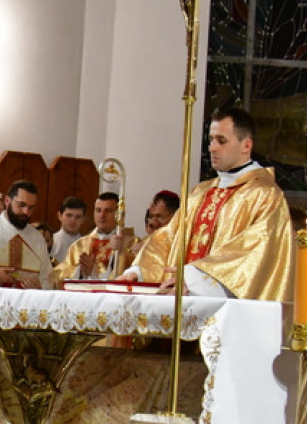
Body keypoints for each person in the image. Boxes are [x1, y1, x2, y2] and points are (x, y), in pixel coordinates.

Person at [121, 107, 292, 299]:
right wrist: (140, 270)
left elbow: (254, 254)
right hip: (180, 301)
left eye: (222, 140)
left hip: (224, 308)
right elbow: (169, 236)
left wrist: (194, 280)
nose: (212, 147)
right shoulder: (200, 192)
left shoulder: (265, 195)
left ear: (246, 146)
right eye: (211, 139)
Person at [53, 192, 138, 282]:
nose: (102, 215)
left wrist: (122, 254)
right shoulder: (80, 245)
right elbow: (58, 275)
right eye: (98, 210)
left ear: (120, 215)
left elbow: (137, 274)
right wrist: (81, 272)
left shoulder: (132, 243)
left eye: (108, 211)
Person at [50, 196, 87, 261]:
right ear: (60, 216)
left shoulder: (87, 245)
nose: (73, 220)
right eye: (69, 215)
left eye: (78, 217)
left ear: (83, 219)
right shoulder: (51, 242)